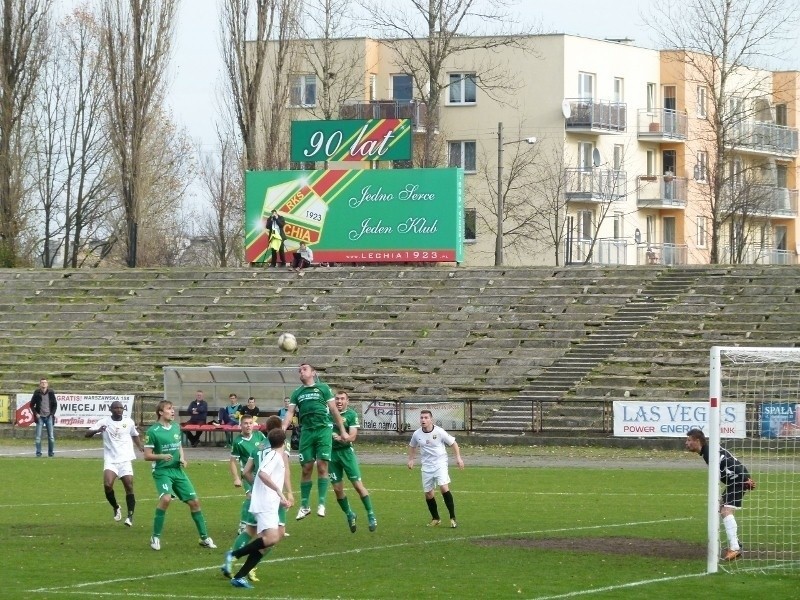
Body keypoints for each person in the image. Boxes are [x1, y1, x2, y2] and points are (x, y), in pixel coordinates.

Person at [222, 427, 292, 589]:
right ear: (284, 442)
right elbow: (262, 473)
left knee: (277, 535)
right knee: (270, 538)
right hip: (265, 502)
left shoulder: (274, 454)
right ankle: (233, 555)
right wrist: (279, 493)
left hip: (270, 501)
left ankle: (240, 577)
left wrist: (278, 498)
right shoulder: (274, 455)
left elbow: (253, 472)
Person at [143, 400, 216, 551]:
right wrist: (162, 456)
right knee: (166, 499)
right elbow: (147, 455)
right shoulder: (152, 432)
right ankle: (155, 537)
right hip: (162, 471)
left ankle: (204, 538)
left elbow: (179, 446)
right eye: (169, 409)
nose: (172, 411)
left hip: (177, 471)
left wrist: (182, 458)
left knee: (194, 502)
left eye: (173, 409)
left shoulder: (176, 427)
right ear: (160, 412)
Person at [281, 363, 349, 520]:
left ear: (313, 372)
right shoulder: (297, 393)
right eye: (299, 370)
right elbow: (290, 412)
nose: (301, 372)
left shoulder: (323, 388)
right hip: (307, 431)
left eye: (304, 369)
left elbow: (333, 410)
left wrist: (343, 430)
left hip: (323, 430)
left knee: (322, 465)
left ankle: (322, 503)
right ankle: (304, 506)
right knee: (306, 468)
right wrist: (283, 428)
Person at [685, 428, 756, 561]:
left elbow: (731, 462)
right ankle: (736, 542)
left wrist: (745, 479)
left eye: (689, 440)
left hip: (737, 480)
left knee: (725, 510)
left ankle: (735, 548)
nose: (686, 443)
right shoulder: (708, 451)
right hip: (734, 480)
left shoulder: (710, 452)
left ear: (697, 441)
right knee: (721, 507)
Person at [84, 401, 145, 526]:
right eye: (116, 408)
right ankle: (116, 507)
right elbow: (87, 434)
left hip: (125, 459)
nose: (118, 410)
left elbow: (135, 435)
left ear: (123, 409)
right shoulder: (104, 422)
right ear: (110, 409)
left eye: (121, 408)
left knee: (129, 486)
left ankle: (130, 517)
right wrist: (97, 430)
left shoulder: (129, 422)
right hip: (111, 459)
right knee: (107, 485)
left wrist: (140, 447)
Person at [226, 413, 268, 583]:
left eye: (250, 423)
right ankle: (246, 523)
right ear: (240, 425)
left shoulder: (260, 436)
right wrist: (236, 478)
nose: (248, 426)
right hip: (249, 478)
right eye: (245, 423)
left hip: (262, 478)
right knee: (250, 498)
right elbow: (232, 461)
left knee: (256, 507)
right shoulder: (238, 442)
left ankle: (252, 525)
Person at [407, 409, 464, 528]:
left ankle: (452, 518)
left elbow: (453, 443)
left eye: (426, 418)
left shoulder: (439, 431)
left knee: (443, 487)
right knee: (428, 493)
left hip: (440, 463)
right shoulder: (417, 433)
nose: (423, 420)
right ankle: (436, 518)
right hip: (427, 466)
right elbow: (412, 446)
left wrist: (458, 458)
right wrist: (411, 459)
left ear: (431, 419)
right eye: (421, 418)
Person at [330, 390, 377, 533]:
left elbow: (352, 436)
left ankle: (371, 514)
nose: (339, 401)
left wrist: (343, 438)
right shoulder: (328, 414)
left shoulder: (351, 415)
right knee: (337, 489)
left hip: (346, 454)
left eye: (342, 399)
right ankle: (350, 514)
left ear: (347, 401)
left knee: (357, 485)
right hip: (331, 454)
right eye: (337, 399)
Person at [31, 378, 57, 457]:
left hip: (49, 416)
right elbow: (31, 405)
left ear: (47, 384)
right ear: (40, 384)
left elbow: (55, 404)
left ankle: (51, 453)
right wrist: (36, 413)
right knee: (38, 437)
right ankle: (38, 453)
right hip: (40, 417)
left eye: (45, 383)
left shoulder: (51, 393)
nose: (43, 384)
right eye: (42, 383)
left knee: (51, 437)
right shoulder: (37, 393)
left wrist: (52, 414)